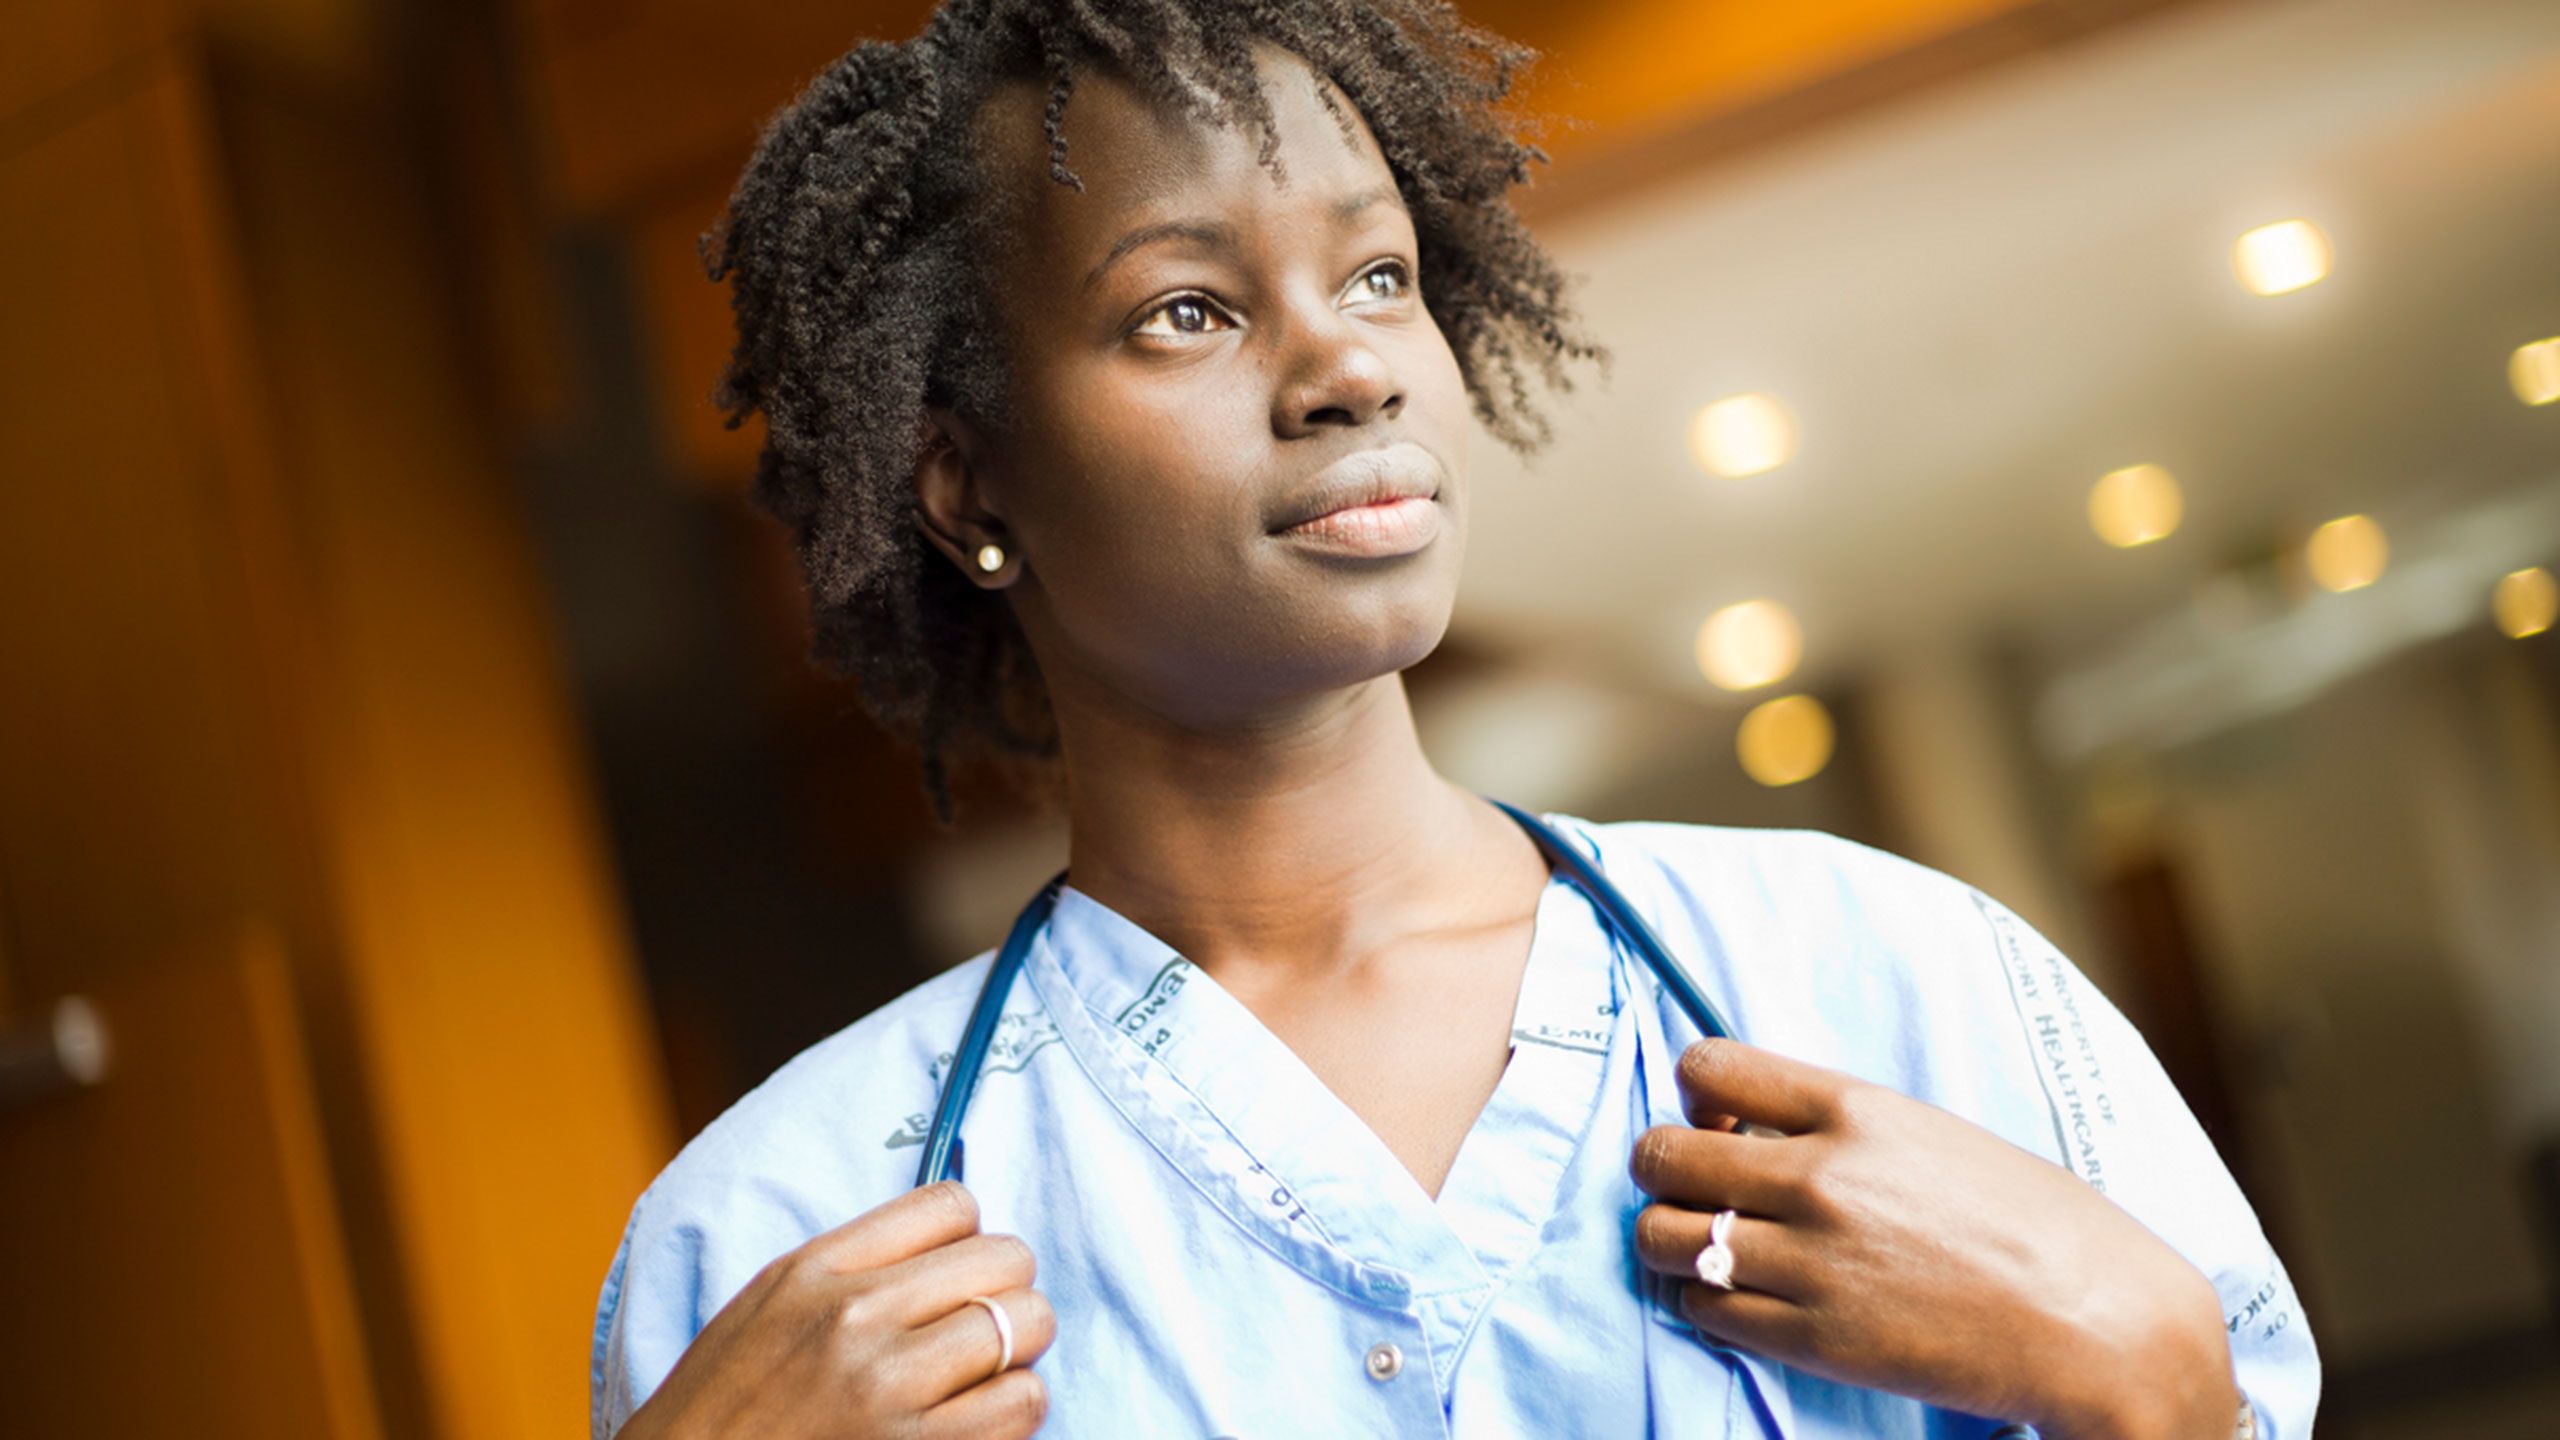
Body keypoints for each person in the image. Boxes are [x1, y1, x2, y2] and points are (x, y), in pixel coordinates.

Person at [587, 2, 2319, 1436]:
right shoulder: (774, 1233)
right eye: (1186, 309)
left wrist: (2153, 1378)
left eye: (1379, 276)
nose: (1353, 368)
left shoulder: (1894, 978)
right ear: (969, 478)